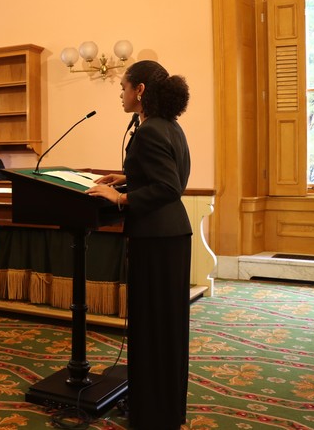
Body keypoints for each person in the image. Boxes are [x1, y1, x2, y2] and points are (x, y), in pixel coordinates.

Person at [85, 60, 191, 430]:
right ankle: (162, 408)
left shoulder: (148, 131)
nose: (121, 93)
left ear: (140, 90)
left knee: (152, 326)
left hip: (156, 239)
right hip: (171, 235)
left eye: (124, 86)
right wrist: (126, 177)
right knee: (166, 326)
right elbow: (164, 176)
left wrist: (119, 198)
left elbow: (167, 187)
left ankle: (153, 414)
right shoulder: (170, 127)